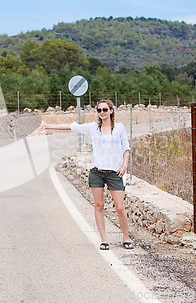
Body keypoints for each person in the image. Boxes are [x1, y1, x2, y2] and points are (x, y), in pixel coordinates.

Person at [40, 99, 133, 250]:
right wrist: (47, 126)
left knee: (120, 207)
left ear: (111, 110)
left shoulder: (119, 128)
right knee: (99, 205)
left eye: (104, 109)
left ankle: (126, 237)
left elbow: (126, 149)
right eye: (99, 110)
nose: (102, 113)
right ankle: (104, 239)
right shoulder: (93, 127)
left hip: (115, 172)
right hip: (96, 172)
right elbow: (71, 127)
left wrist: (124, 166)